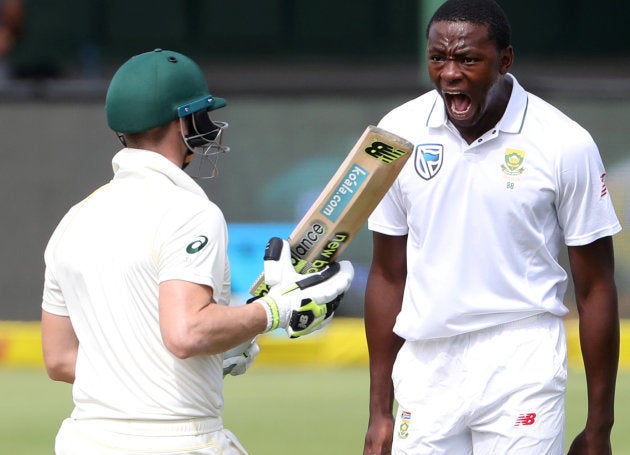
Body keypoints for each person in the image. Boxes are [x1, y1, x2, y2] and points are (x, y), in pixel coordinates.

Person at [40, 48, 353, 455]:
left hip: (84, 442)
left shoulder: (74, 219)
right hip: (176, 441)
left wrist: (204, 365)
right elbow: (187, 331)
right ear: (185, 121)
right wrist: (274, 310)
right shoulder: (189, 211)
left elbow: (60, 358)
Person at [362, 1, 621, 454]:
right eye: (437, 58)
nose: (449, 73)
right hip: (426, 364)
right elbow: (387, 274)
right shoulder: (395, 134)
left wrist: (600, 426)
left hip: (522, 359)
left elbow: (596, 286)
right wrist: (378, 413)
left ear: (505, 61)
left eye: (468, 59)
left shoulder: (565, 143)